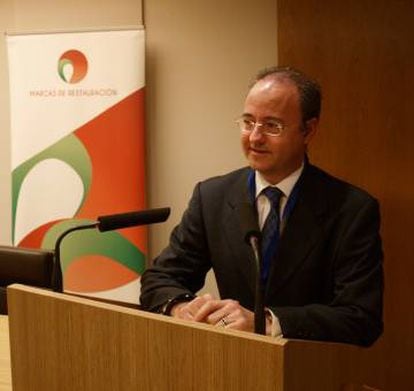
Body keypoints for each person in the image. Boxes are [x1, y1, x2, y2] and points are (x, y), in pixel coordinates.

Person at [140, 66, 383, 346]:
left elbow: (361, 317)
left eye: (271, 126)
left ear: (308, 130)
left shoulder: (351, 209)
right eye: (248, 122)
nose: (254, 137)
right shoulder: (212, 197)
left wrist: (265, 322)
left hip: (307, 374)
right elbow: (159, 278)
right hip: (229, 368)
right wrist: (183, 308)